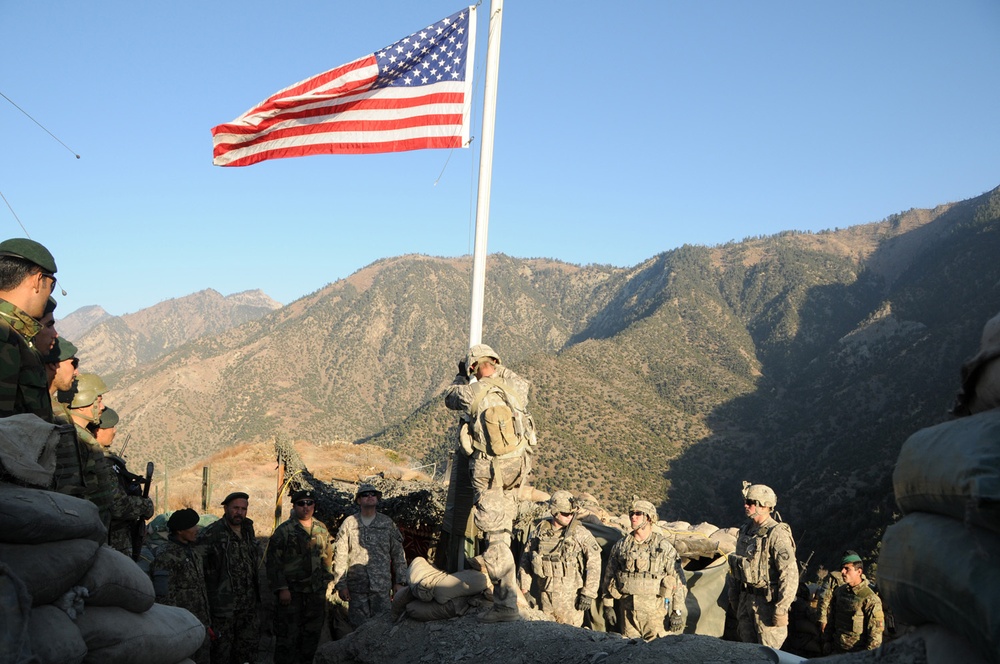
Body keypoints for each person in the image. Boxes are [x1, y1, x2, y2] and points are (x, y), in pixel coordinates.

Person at [444, 343, 536, 623]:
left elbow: (449, 397)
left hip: (490, 472)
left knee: (495, 538)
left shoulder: (470, 392)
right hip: (516, 472)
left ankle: (506, 605)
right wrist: (495, 366)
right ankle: (507, 593)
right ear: (495, 363)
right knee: (503, 529)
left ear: (474, 368)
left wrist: (463, 376)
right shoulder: (516, 388)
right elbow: (520, 380)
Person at [600, 497, 685, 640]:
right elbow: (609, 577)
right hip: (628, 614)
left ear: (649, 518)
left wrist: (676, 612)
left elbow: (678, 580)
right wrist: (608, 605)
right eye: (631, 513)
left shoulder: (663, 547)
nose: (633, 517)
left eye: (638, 513)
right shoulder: (622, 546)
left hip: (655, 616)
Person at [727, 481, 799, 649]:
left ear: (764, 506)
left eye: (751, 503)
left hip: (766, 606)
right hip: (745, 602)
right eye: (747, 502)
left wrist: (781, 608)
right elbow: (736, 567)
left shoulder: (777, 534)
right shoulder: (745, 530)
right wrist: (734, 597)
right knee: (748, 653)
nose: (746, 505)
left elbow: (789, 574)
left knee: (769, 654)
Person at [265, 489, 333, 664]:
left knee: (311, 637)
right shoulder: (285, 531)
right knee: (287, 638)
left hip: (315, 594)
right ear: (294, 506)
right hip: (292, 594)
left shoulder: (321, 529)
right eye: (301, 503)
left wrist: (325, 583)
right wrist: (282, 588)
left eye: (309, 503)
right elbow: (273, 562)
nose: (306, 507)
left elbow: (327, 557)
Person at [518, 490, 601, 627]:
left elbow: (594, 562)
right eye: (565, 513)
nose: (569, 517)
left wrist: (588, 593)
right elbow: (526, 560)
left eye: (572, 513)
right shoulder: (540, 532)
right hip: (544, 597)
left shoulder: (579, 533)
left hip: (570, 600)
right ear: (554, 512)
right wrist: (524, 590)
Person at [332, 483, 408, 629]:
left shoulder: (386, 523)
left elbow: (398, 555)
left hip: (381, 588)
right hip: (357, 588)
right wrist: (341, 585)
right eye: (365, 495)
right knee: (358, 629)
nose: (370, 497)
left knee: (382, 628)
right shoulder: (349, 523)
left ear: (378, 499)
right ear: (358, 500)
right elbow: (340, 556)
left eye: (373, 494)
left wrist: (400, 581)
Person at [0, 237, 59, 421]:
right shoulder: (6, 336)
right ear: (37, 279)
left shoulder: (17, 335)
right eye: (52, 285)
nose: (49, 293)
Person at [199, 491, 261, 664]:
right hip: (224, 607)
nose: (239, 512)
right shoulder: (212, 533)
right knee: (222, 653)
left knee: (247, 652)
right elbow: (200, 567)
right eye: (235, 508)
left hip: (248, 605)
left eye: (243, 509)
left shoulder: (248, 529)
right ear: (226, 508)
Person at [150, 508, 211, 664]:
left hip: (200, 622)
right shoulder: (166, 556)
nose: (197, 529)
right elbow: (163, 596)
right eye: (192, 526)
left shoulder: (194, 552)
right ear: (179, 531)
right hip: (182, 625)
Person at [819, 551, 884, 654]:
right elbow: (832, 619)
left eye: (847, 569)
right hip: (836, 651)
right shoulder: (840, 592)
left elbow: (875, 637)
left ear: (859, 572)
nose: (843, 572)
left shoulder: (870, 599)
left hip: (855, 655)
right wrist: (827, 641)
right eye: (842, 568)